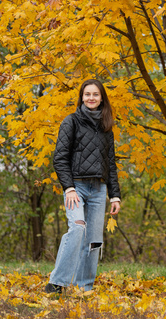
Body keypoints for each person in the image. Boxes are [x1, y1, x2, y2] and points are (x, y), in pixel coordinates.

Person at [45, 79, 121, 294]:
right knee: (78, 228)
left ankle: (83, 289)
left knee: (94, 242)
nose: (91, 98)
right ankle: (57, 283)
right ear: (81, 97)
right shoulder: (71, 122)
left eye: (95, 94)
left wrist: (114, 196)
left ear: (101, 98)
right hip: (75, 188)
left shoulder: (107, 128)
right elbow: (60, 158)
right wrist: (68, 188)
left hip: (98, 190)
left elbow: (111, 164)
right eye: (87, 94)